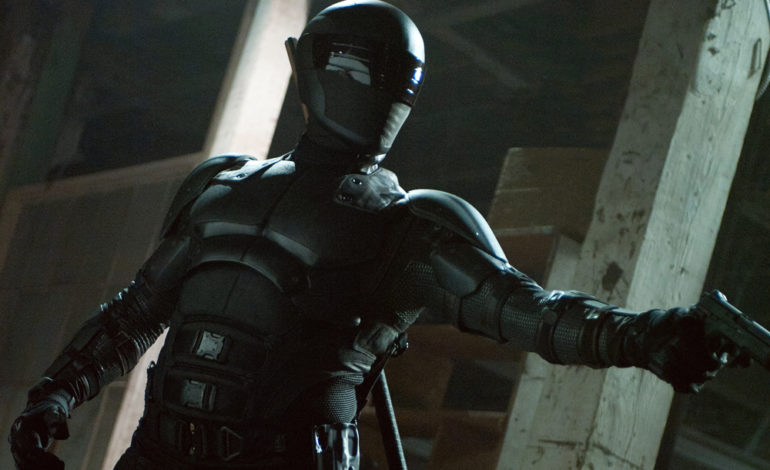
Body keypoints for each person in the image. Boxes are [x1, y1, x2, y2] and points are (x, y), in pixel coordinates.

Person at [8, 1, 729, 469]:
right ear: (310, 66)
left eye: (390, 76)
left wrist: (645, 336)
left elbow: (532, 315)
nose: (371, 87)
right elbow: (136, 313)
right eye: (353, 63)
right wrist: (56, 393)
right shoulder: (220, 186)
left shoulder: (407, 227)